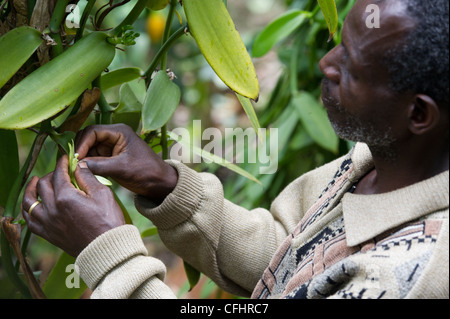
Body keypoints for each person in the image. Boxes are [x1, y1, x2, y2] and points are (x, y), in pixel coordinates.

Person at [22, 0, 448, 299]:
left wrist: (109, 253)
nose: (326, 63)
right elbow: (289, 261)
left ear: (418, 114)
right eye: (338, 42)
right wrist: (170, 188)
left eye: (351, 66)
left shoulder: (401, 277)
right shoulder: (385, 162)